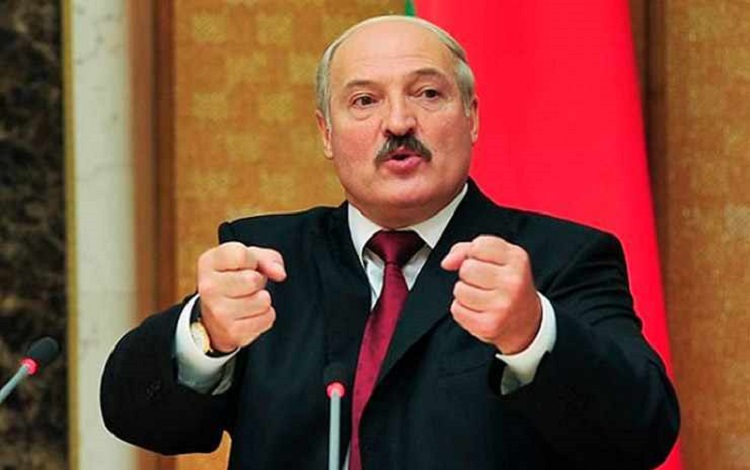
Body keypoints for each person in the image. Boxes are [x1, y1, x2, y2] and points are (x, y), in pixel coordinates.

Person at [101, 15, 679, 470]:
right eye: (365, 101)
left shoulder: (559, 260)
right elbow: (139, 418)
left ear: (472, 116)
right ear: (327, 133)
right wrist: (205, 334)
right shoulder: (267, 262)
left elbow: (642, 433)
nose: (399, 122)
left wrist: (532, 334)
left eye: (427, 94)